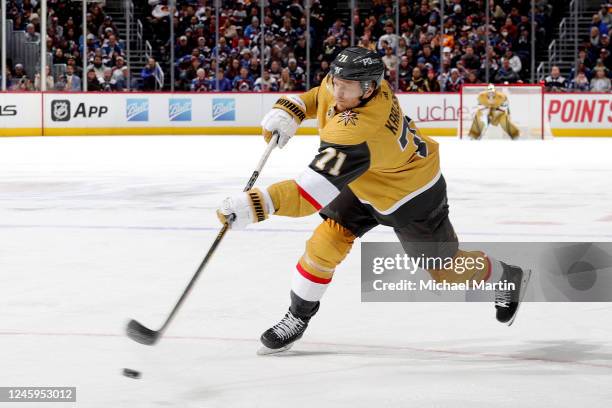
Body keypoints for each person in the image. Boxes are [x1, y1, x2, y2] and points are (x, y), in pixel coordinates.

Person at [216, 47, 532, 354]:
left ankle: (506, 274)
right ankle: (298, 316)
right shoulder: (352, 85)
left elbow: (306, 195)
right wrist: (291, 108)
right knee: (325, 242)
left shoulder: (359, 131)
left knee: (444, 270)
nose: (339, 93)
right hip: (365, 178)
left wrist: (257, 205)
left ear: (368, 89)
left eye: (347, 88)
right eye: (337, 82)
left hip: (411, 193)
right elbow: (320, 95)